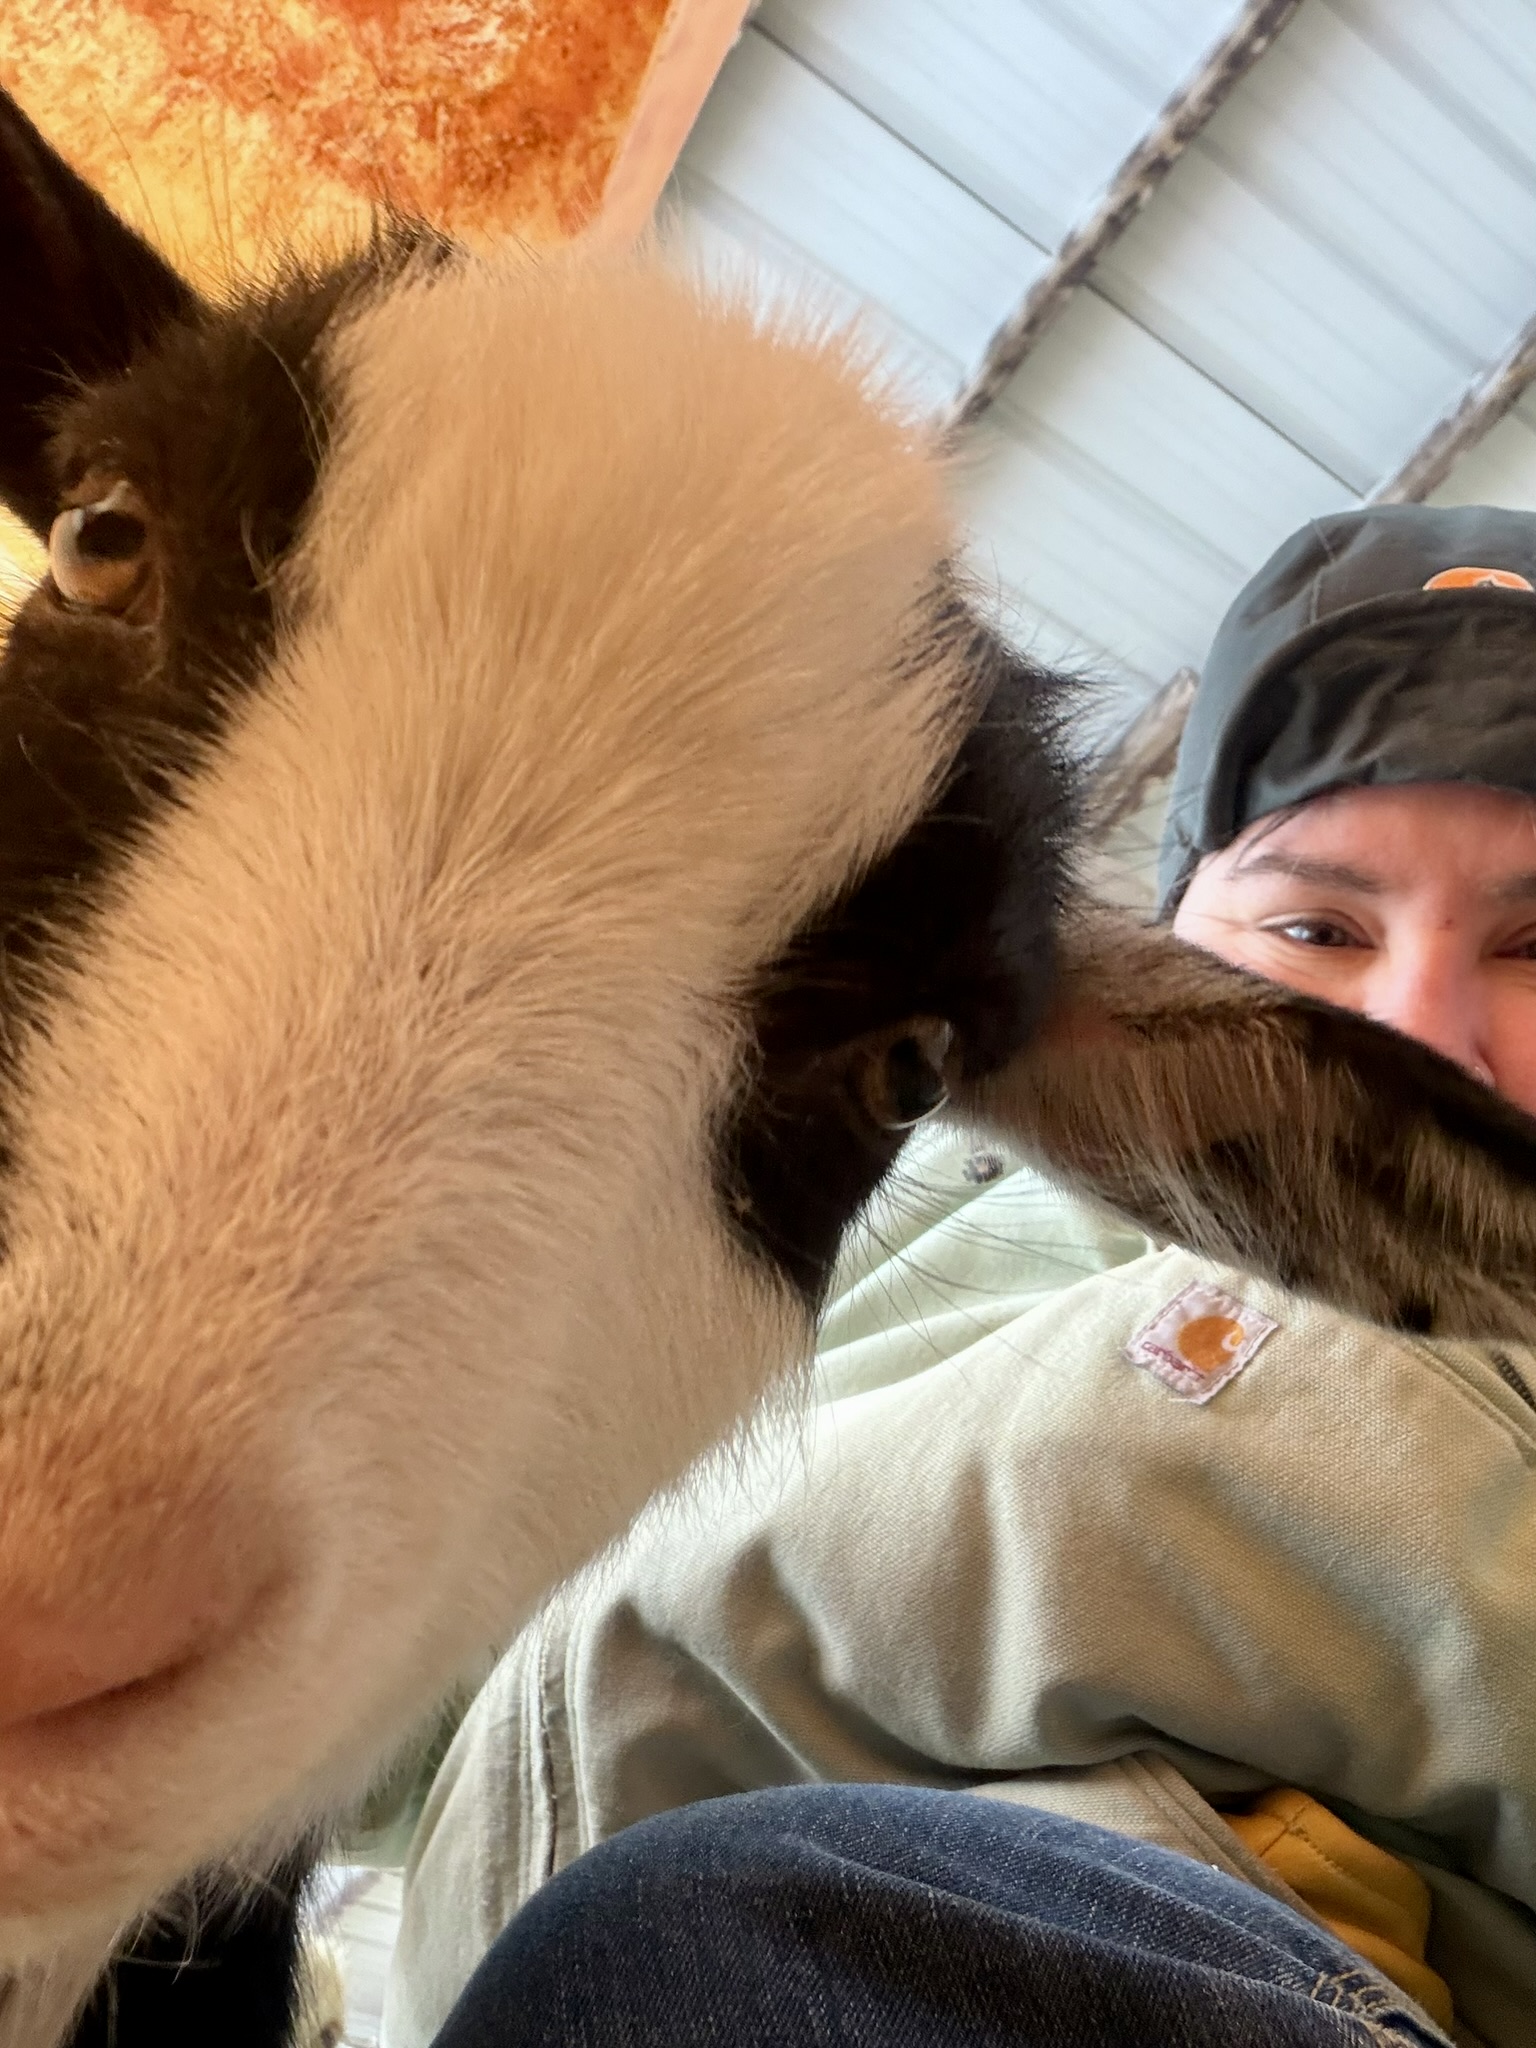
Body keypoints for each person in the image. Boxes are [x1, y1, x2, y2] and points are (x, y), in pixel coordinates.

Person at [379, 507, 1536, 2048]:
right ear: (1153, 954)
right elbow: (388, 1695)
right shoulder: (835, 1224)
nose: (1411, 1027)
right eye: (1314, 924)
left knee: (713, 1931)